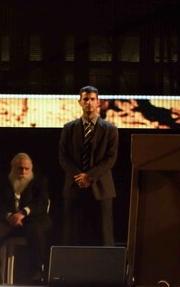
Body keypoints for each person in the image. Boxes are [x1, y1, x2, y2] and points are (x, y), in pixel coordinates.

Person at [59, 84, 119, 246]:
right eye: (85, 99)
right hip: (74, 186)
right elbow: (63, 157)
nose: (89, 103)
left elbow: (110, 159)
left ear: (98, 102)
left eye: (92, 99)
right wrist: (79, 177)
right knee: (71, 235)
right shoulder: (69, 129)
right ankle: (69, 270)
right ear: (80, 102)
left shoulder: (110, 130)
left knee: (105, 236)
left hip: (101, 187)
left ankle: (108, 270)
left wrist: (89, 177)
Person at [0, 152, 52, 285]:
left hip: (32, 220)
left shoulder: (40, 181)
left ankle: (36, 274)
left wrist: (23, 213)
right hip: (9, 223)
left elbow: (41, 203)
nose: (23, 171)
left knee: (36, 230)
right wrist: (9, 216)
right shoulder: (4, 181)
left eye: (26, 169)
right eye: (20, 168)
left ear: (31, 169)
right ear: (13, 168)